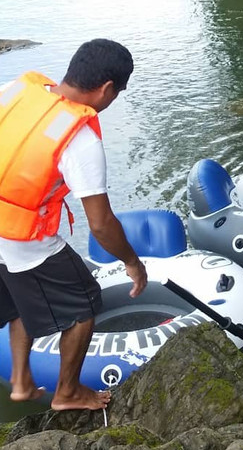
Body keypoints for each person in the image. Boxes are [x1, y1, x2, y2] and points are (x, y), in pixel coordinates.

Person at [0, 39, 147, 410]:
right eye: (118, 93)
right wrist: (132, 261)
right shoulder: (78, 138)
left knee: (19, 301)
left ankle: (20, 381)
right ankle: (67, 392)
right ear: (107, 88)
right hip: (20, 235)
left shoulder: (17, 91)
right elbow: (100, 224)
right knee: (84, 307)